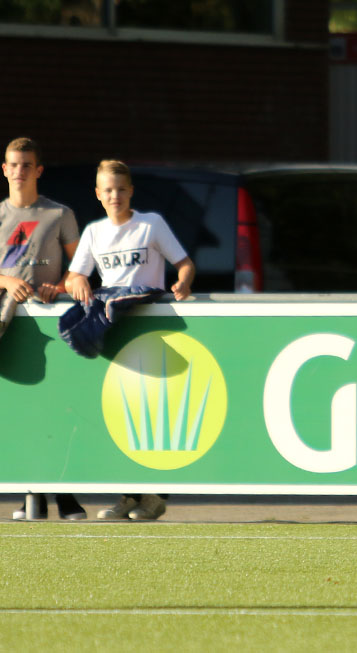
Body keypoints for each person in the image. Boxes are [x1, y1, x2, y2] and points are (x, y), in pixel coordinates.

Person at [66, 159, 196, 521]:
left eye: (121, 189)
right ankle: (129, 495)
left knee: (156, 410)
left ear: (131, 191)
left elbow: (184, 263)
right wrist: (75, 281)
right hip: (115, 330)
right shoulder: (93, 232)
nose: (115, 196)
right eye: (108, 190)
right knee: (124, 412)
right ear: (98, 194)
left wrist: (182, 283)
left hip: (151, 327)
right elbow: (74, 276)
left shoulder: (151, 224)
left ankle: (155, 496)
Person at [0, 137, 86, 521]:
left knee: (55, 410)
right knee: (20, 411)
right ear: (4, 169)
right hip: (11, 323)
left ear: (38, 170)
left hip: (51, 323)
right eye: (13, 164)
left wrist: (62, 284)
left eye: (26, 165)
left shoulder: (59, 213)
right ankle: (30, 495)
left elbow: (81, 266)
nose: (19, 171)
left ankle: (66, 497)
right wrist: (5, 281)